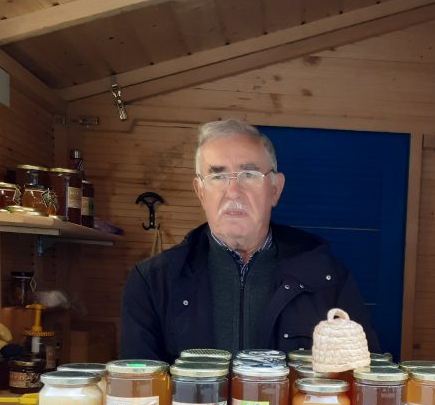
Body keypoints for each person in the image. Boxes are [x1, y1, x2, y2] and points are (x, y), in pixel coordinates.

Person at [120, 119, 379, 362]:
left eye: (249, 175)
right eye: (218, 176)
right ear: (200, 191)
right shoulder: (153, 282)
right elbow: (139, 393)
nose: (234, 191)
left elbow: (360, 381)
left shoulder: (327, 277)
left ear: (275, 189)